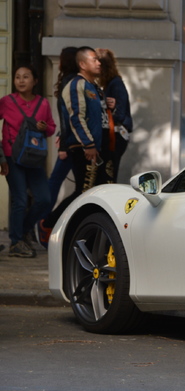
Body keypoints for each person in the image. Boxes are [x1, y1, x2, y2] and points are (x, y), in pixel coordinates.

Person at [38, 46, 107, 248]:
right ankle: (48, 223)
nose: (99, 62)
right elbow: (75, 117)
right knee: (82, 192)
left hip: (92, 148)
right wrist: (88, 144)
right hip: (82, 148)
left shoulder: (92, 86)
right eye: (94, 59)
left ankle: (74, 230)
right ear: (82, 64)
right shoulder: (76, 84)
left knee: (88, 192)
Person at [0, 65, 56, 257]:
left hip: (34, 157)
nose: (21, 81)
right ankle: (16, 242)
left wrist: (44, 127)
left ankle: (23, 230)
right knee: (20, 200)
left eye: (25, 77)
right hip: (12, 156)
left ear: (35, 81)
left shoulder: (43, 103)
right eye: (17, 77)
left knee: (44, 199)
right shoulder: (6, 102)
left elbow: (51, 128)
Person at [47, 46, 79, 212]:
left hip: (71, 142)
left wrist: (64, 142)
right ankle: (44, 220)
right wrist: (64, 142)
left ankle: (44, 219)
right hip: (73, 143)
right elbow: (69, 116)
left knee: (55, 181)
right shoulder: (73, 82)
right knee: (57, 181)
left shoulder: (69, 81)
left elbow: (68, 116)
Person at [96, 48, 133, 183]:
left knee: (108, 174)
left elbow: (119, 113)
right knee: (107, 173)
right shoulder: (112, 83)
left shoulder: (115, 84)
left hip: (114, 136)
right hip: (114, 136)